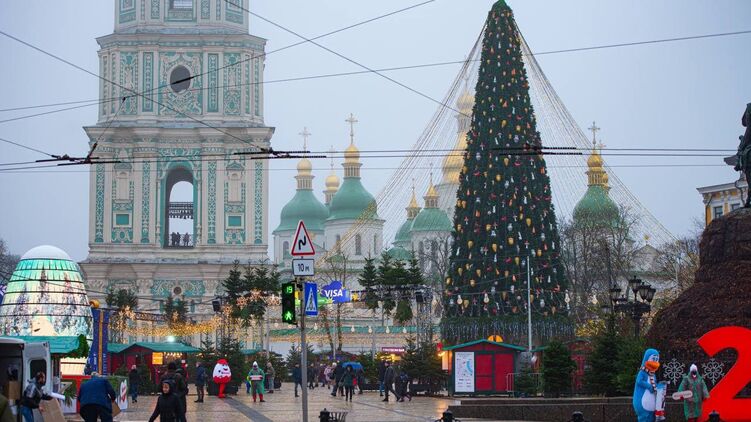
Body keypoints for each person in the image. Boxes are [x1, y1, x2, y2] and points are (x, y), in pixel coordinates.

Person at [633, 348, 660, 422]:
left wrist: (659, 387)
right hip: (642, 403)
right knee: (644, 418)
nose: (655, 361)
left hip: (651, 405)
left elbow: (654, 384)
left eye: (657, 359)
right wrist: (649, 386)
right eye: (653, 358)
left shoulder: (653, 374)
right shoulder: (642, 372)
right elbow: (639, 381)